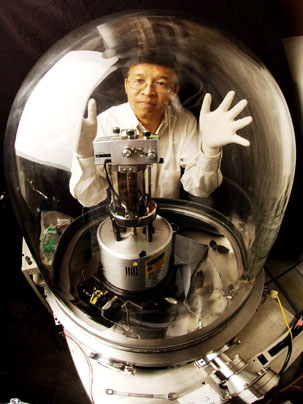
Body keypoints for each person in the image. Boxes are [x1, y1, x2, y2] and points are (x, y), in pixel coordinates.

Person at [69, 52, 252, 207]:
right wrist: (85, 155)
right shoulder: (103, 124)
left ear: (174, 91)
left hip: (167, 215)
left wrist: (210, 150)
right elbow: (89, 199)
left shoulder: (184, 122)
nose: (148, 91)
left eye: (161, 83)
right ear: (126, 85)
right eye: (139, 81)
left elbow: (200, 189)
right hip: (116, 216)